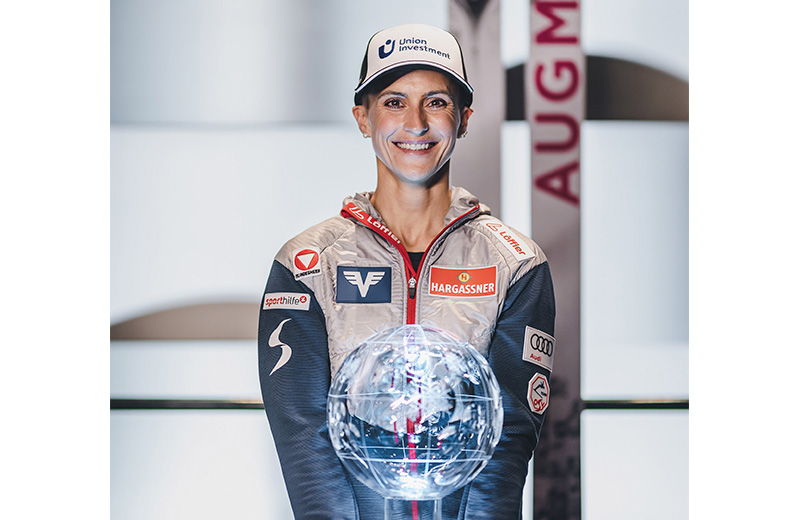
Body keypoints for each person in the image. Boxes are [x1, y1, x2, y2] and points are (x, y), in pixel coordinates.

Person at [258, 23, 556, 520]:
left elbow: (508, 439)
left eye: (436, 102)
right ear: (362, 117)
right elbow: (302, 433)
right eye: (394, 102)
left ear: (464, 119)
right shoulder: (307, 263)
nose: (415, 124)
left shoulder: (516, 263)